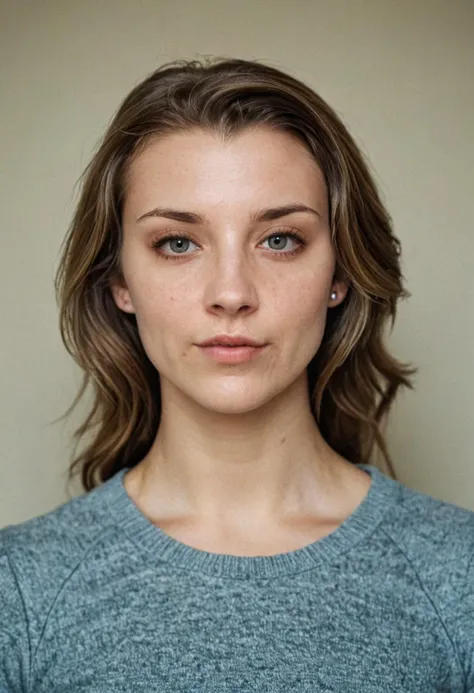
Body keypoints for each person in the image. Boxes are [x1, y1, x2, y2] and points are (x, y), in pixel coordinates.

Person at [0, 57, 472, 692]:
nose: (231, 293)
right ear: (119, 281)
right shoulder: (20, 590)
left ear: (338, 274)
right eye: (177, 242)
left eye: (279, 239)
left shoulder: (458, 575)